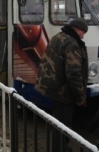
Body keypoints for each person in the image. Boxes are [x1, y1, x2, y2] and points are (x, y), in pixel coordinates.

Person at [35, 17, 89, 152]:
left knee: (59, 123)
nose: (82, 37)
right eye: (83, 33)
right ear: (78, 30)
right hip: (63, 92)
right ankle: (60, 149)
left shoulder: (58, 37)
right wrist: (80, 97)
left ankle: (60, 147)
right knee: (64, 125)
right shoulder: (72, 43)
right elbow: (73, 73)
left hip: (53, 87)